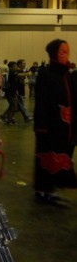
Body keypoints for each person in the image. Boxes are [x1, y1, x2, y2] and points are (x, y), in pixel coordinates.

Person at [34, 39, 77, 205]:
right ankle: (44, 190)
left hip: (65, 127)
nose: (66, 55)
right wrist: (42, 127)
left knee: (61, 157)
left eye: (67, 52)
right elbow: (41, 103)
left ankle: (50, 189)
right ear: (53, 54)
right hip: (50, 127)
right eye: (62, 52)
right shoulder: (46, 75)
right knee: (47, 158)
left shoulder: (68, 76)